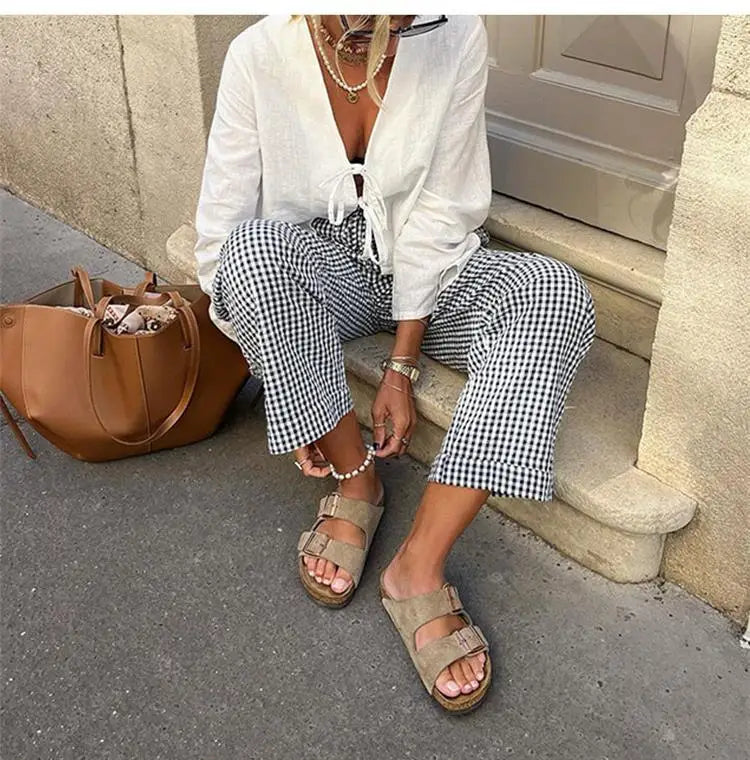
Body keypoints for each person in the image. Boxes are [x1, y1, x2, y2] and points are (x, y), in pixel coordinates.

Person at [194, 14, 595, 713]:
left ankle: (418, 567)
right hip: (320, 267)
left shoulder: (454, 33)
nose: (387, 33)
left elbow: (443, 208)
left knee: (554, 294)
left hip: (436, 273)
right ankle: (357, 486)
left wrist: (402, 366)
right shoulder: (256, 54)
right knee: (251, 251)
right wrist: (287, 372)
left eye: (402, 18)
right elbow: (219, 242)